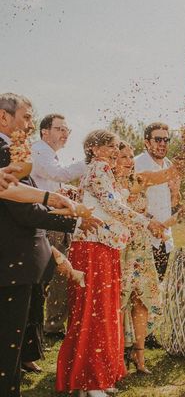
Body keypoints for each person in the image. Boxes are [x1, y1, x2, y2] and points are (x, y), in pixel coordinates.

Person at [56, 130, 165, 397]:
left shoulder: (103, 171)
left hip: (105, 247)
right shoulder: (97, 170)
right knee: (94, 312)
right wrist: (145, 222)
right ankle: (90, 381)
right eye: (112, 146)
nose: (116, 151)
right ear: (94, 149)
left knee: (104, 312)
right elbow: (113, 206)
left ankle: (93, 377)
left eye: (118, 147)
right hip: (92, 248)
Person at [0, 93, 90, 397]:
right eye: (26, 117)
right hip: (11, 259)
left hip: (16, 258)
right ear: (4, 118)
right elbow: (19, 203)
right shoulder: (6, 151)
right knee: (6, 348)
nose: (29, 123)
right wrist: (63, 207)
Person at [115, 141, 177, 374]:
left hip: (141, 249)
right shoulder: (110, 184)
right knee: (119, 303)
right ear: (113, 159)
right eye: (123, 157)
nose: (130, 161)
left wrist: (156, 224)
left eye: (131, 156)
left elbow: (163, 178)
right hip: (121, 249)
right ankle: (117, 352)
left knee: (142, 300)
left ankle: (138, 355)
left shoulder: (137, 180)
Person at [31, 113, 86, 339]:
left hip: (54, 218)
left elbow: (54, 180)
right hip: (46, 221)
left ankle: (52, 324)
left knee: (59, 274)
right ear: (45, 131)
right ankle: (49, 326)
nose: (65, 134)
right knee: (53, 273)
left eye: (67, 130)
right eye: (60, 129)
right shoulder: (39, 151)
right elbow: (58, 174)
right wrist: (90, 161)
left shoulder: (50, 155)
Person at [134, 122, 179, 281]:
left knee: (157, 287)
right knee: (138, 292)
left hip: (164, 239)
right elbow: (130, 201)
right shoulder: (137, 164)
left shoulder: (169, 165)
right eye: (158, 139)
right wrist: (149, 221)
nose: (162, 144)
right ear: (147, 142)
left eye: (166, 140)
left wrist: (175, 193)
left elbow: (173, 204)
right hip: (142, 237)